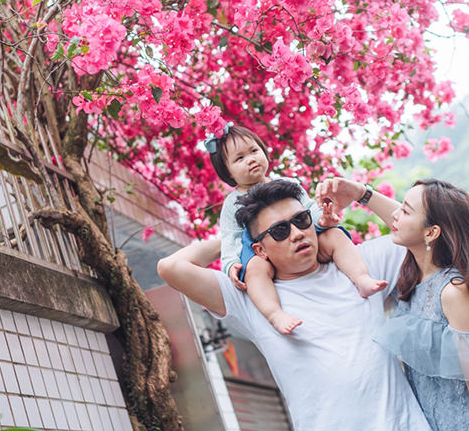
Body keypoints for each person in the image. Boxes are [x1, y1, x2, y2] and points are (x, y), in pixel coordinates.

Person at [157, 179, 431, 431]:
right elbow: (171, 268)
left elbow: (427, 237)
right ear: (259, 250)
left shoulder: (357, 266)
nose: (297, 233)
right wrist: (233, 242)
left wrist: (363, 194)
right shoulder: (254, 299)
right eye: (279, 230)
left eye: (301, 220)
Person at [318, 178, 469, 431]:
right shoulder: (410, 278)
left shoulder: (453, 292)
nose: (396, 214)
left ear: (431, 233)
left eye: (405, 211)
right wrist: (361, 193)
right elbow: (415, 222)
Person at [205, 123, 387, 334]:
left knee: (335, 235)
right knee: (255, 269)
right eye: (239, 158)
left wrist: (324, 219)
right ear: (228, 173)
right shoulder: (232, 203)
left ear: (264, 151)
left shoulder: (287, 183)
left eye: (254, 151)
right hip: (261, 247)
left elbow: (309, 209)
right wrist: (231, 265)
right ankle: (275, 314)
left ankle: (361, 278)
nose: (251, 159)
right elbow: (230, 238)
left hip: (302, 229)